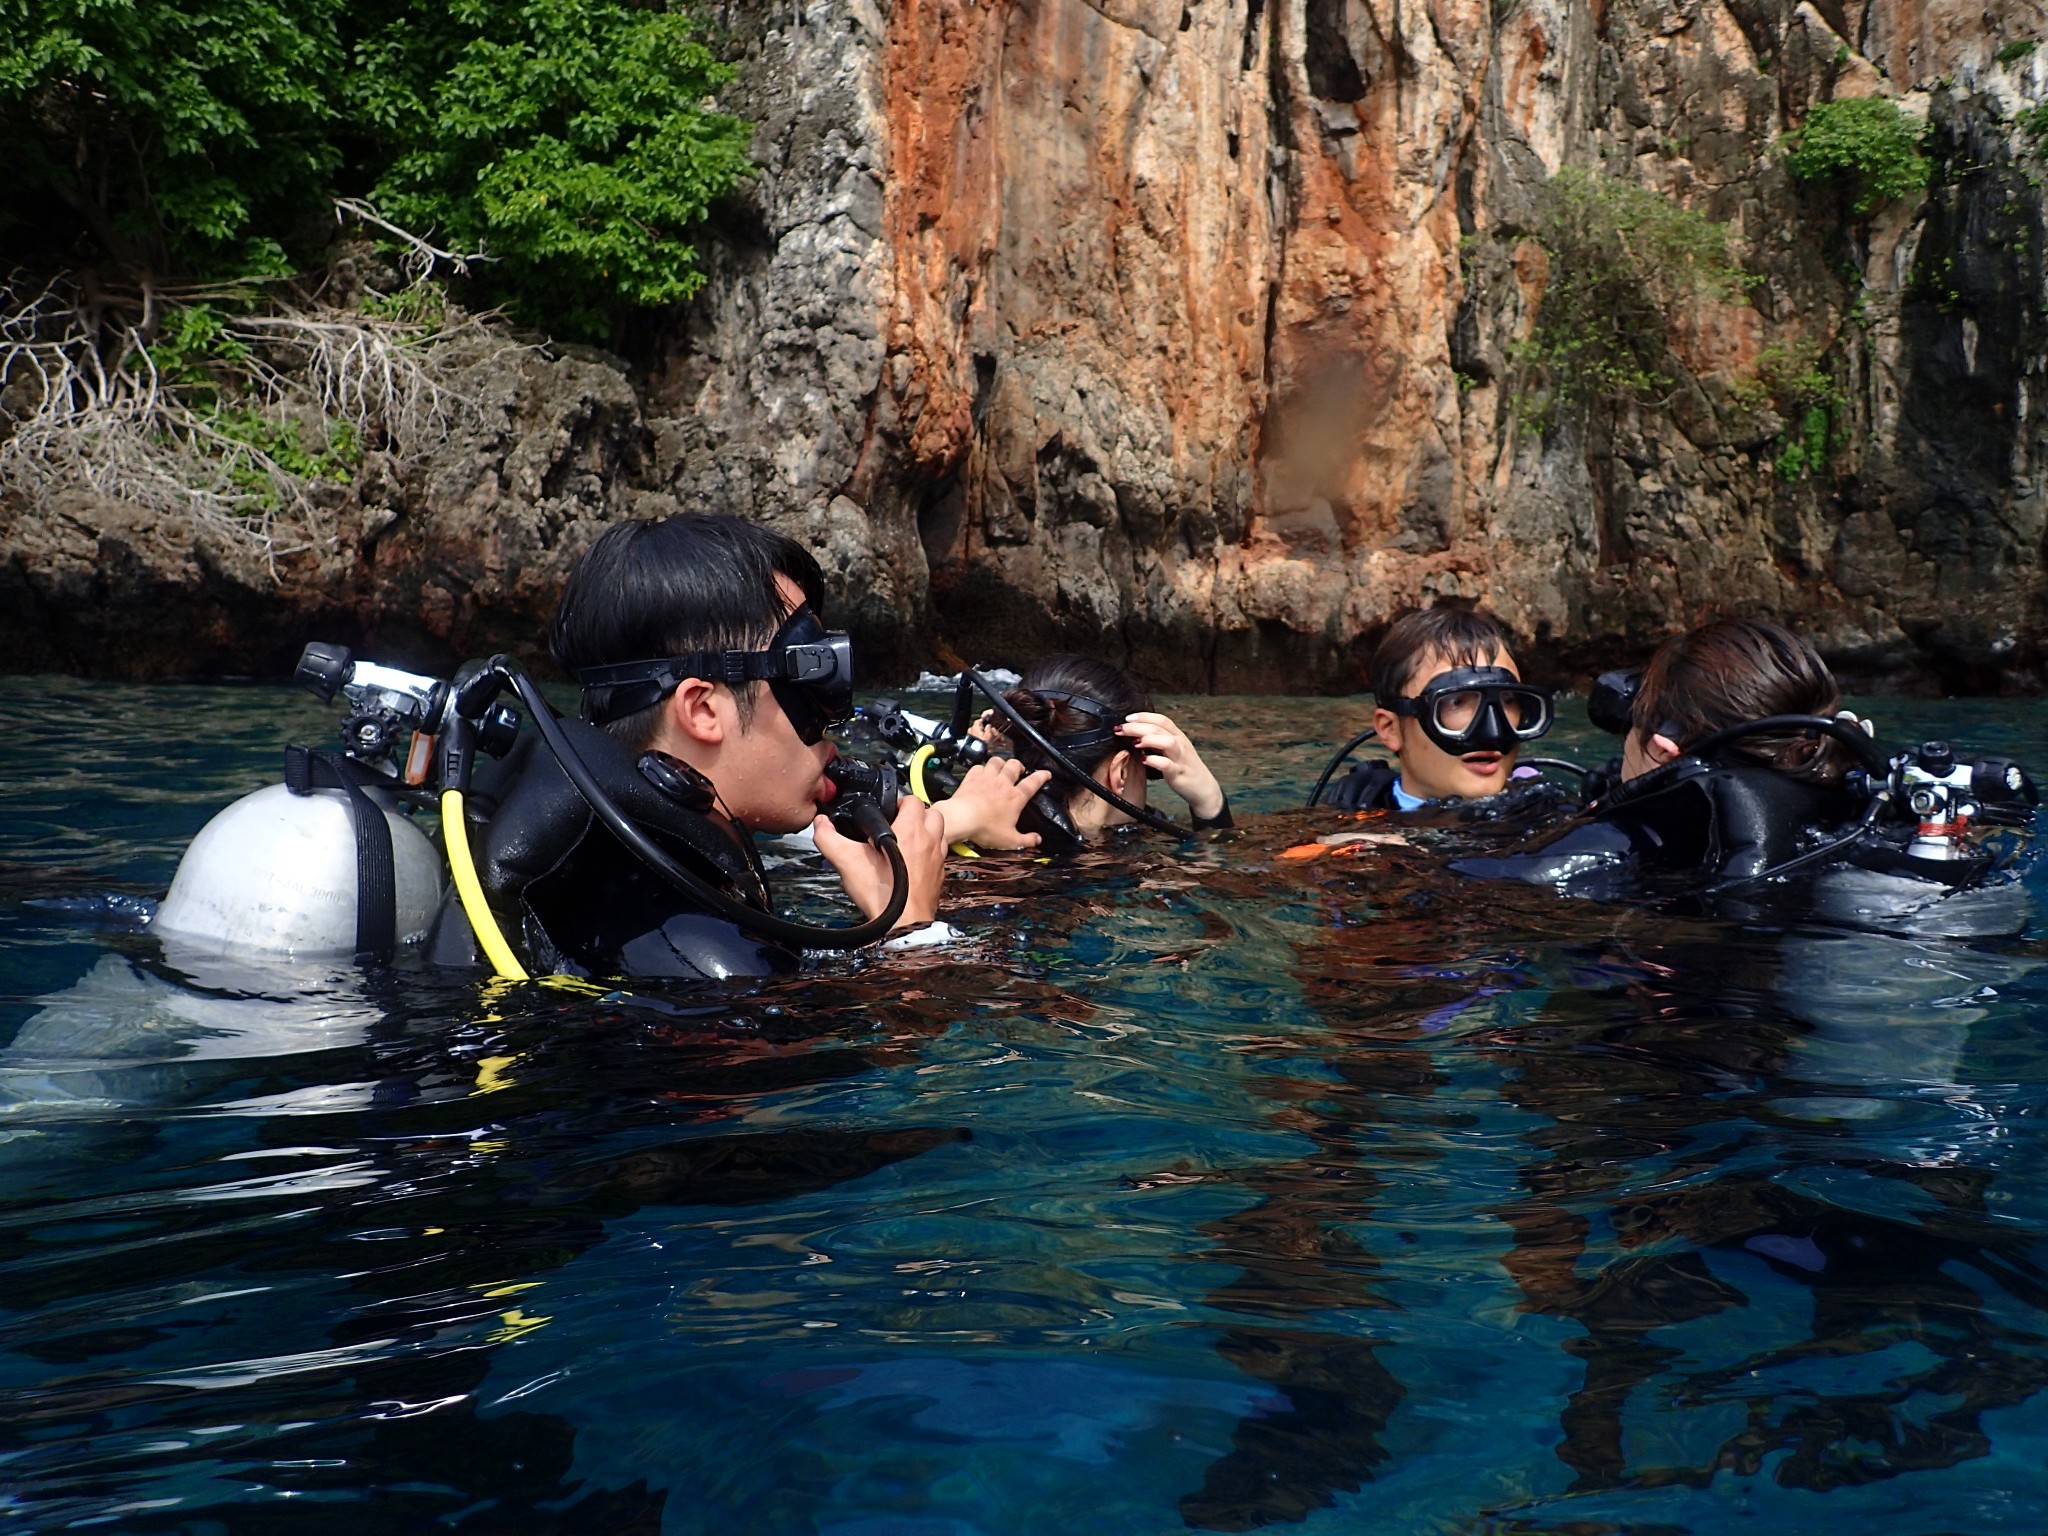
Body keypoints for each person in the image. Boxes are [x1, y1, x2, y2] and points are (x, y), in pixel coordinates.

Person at [427, 514, 949, 980]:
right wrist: (910, 928)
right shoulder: (694, 952)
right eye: (810, 675)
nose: (835, 714)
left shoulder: (609, 867)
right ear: (702, 710)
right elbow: (890, 1062)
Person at [961, 655, 1230, 850]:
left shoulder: (964, 837)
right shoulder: (1147, 870)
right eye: (1148, 769)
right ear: (1121, 771)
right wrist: (1211, 804)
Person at [1315, 606, 1557, 811]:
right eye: (1456, 702)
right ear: (1390, 729)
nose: (1493, 733)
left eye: (1508, 700)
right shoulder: (1351, 817)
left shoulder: (1548, 813)